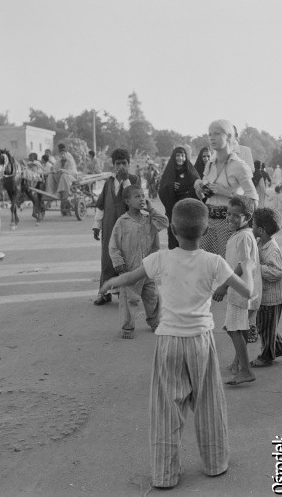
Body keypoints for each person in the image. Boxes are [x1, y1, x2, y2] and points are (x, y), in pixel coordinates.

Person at [99, 198, 254, 488]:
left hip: (169, 341)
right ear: (206, 227)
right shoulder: (213, 261)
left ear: (171, 227)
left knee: (166, 409)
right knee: (209, 404)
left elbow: (130, 277)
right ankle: (215, 463)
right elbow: (247, 292)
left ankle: (164, 475)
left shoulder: (160, 259)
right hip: (201, 341)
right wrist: (248, 272)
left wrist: (110, 283)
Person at [212, 196, 262, 385]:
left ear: (247, 217)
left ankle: (246, 370)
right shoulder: (242, 235)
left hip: (240, 291)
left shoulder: (243, 237)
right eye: (228, 214)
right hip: (241, 291)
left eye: (235, 215)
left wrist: (224, 286)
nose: (229, 218)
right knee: (237, 328)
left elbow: (243, 264)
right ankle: (238, 364)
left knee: (234, 330)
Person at [108, 185, 168, 339]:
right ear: (127, 201)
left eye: (143, 196)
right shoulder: (122, 222)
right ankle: (127, 328)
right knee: (129, 300)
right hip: (130, 269)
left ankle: (155, 322)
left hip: (148, 268)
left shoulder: (149, 220)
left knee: (152, 297)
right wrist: (118, 262)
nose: (141, 199)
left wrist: (151, 210)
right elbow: (113, 245)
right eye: (137, 196)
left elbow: (165, 222)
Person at [194, 119, 258, 257]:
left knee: (227, 264)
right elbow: (203, 197)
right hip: (209, 222)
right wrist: (199, 189)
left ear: (229, 136)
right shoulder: (209, 164)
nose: (212, 137)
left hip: (229, 222)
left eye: (217, 133)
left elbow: (253, 199)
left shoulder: (239, 166)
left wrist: (229, 193)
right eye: (210, 134)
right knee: (207, 263)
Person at [92, 148, 140, 306]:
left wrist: (126, 181)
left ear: (129, 164)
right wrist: (97, 225)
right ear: (113, 164)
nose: (121, 166)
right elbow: (100, 206)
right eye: (118, 163)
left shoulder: (133, 180)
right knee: (107, 260)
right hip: (109, 226)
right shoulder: (108, 182)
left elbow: (135, 200)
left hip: (128, 227)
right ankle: (104, 293)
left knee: (127, 260)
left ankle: (126, 293)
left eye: (124, 163)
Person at [250, 207, 282, 367]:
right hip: (266, 295)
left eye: (252, 224)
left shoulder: (272, 249)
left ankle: (267, 356)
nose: (250, 227)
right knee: (266, 325)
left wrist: (256, 267)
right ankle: (279, 347)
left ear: (261, 229)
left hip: (272, 297)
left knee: (266, 327)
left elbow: (277, 272)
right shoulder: (261, 242)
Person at [158, 146, 200, 249]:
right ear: (173, 157)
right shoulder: (169, 172)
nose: (180, 158)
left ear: (186, 157)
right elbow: (162, 189)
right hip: (173, 211)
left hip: (187, 212)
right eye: (177, 155)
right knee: (174, 239)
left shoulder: (190, 171)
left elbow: (197, 188)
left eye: (182, 155)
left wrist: (185, 193)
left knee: (187, 239)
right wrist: (171, 186)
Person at [45, 144, 78, 213]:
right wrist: (54, 171)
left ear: (66, 154)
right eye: (61, 154)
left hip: (71, 176)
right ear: (59, 154)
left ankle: (59, 192)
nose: (62, 155)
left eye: (63, 154)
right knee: (51, 175)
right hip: (62, 176)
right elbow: (55, 168)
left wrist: (64, 171)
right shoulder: (58, 161)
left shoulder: (70, 161)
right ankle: (50, 192)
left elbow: (72, 172)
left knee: (64, 175)